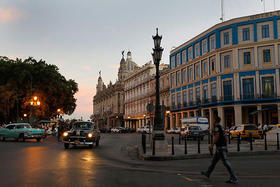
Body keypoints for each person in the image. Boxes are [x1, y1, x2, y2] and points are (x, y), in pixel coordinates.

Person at [201, 116, 238, 184]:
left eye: (213, 120)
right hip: (221, 147)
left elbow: (217, 136)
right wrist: (226, 147)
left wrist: (212, 145)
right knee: (214, 162)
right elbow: (225, 137)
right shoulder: (222, 127)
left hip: (220, 147)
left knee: (226, 163)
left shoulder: (217, 127)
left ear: (215, 121)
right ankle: (208, 173)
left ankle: (234, 178)